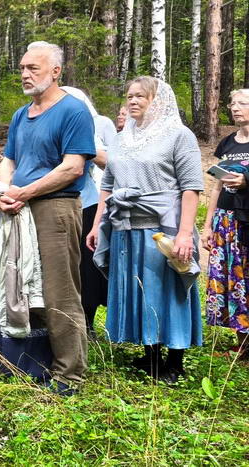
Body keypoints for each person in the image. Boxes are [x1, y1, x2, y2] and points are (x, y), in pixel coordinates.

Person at [85, 77, 203, 384]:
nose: (133, 101)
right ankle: (150, 354)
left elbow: (191, 187)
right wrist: (98, 224)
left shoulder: (179, 135)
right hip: (126, 228)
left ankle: (175, 361)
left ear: (158, 101)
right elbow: (108, 185)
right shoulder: (122, 138)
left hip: (163, 230)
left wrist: (184, 234)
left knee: (169, 291)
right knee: (141, 291)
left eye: (141, 96)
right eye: (129, 96)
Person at [0, 41, 95, 395]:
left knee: (59, 290)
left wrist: (23, 192)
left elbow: (73, 167)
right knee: (22, 285)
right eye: (22, 68)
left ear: (55, 71)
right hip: (19, 208)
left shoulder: (73, 111)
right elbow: (9, 160)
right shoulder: (21, 115)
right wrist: (3, 192)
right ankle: (33, 360)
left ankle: (69, 373)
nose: (24, 74)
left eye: (33, 68)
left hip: (56, 208)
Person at [61, 85, 118, 336]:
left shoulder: (94, 124)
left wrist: (84, 146)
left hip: (86, 203)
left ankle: (86, 322)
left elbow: (111, 162)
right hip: (50, 204)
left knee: (86, 266)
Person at [202, 88, 249, 357]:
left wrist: (247, 181)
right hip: (226, 220)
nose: (235, 107)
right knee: (233, 279)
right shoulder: (228, 143)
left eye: (242, 103)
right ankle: (242, 342)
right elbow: (217, 187)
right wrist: (208, 226)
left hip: (247, 220)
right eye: (232, 103)